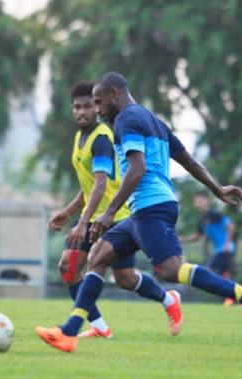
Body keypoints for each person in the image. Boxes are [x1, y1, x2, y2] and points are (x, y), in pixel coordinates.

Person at [36, 71, 242, 353]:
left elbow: (138, 168)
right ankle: (69, 332)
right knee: (98, 256)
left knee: (173, 270)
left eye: (99, 103)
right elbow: (189, 161)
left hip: (153, 207)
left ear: (114, 94)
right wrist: (217, 188)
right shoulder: (155, 121)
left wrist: (110, 211)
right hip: (143, 211)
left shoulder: (126, 119)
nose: (99, 111)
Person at [47, 81, 181, 339]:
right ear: (72, 109)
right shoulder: (80, 138)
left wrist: (83, 221)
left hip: (113, 217)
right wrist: (69, 211)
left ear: (98, 108)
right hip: (98, 216)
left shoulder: (102, 139)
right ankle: (160, 303)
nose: (83, 111)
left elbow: (101, 183)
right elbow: (88, 186)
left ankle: (92, 326)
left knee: (78, 268)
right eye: (77, 107)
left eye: (89, 106)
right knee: (123, 278)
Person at [179, 191, 237, 305]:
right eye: (196, 201)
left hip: (225, 249)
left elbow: (230, 226)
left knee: (209, 271)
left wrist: (227, 243)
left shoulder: (214, 215)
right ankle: (235, 296)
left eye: (200, 201)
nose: (198, 204)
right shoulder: (202, 220)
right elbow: (197, 237)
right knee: (225, 274)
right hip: (220, 250)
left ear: (207, 201)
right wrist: (182, 239)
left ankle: (231, 296)